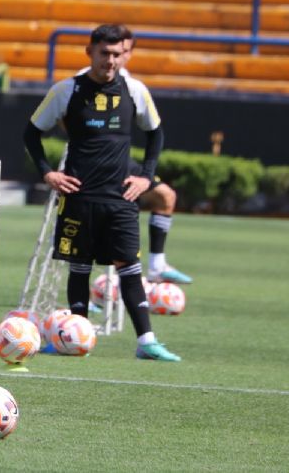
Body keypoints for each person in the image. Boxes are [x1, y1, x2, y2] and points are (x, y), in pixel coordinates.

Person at [24, 24, 181, 362]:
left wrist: (146, 177)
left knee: (129, 266)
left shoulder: (135, 90)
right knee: (79, 266)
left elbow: (156, 134)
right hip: (78, 194)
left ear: (126, 55)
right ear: (90, 53)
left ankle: (146, 341)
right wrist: (48, 173)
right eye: (104, 54)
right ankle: (75, 336)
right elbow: (31, 133)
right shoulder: (66, 90)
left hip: (121, 196)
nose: (110, 61)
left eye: (117, 54)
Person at [118, 32, 192, 284]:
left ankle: (157, 267)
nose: (117, 57)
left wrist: (147, 175)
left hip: (122, 160)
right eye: (109, 52)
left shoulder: (132, 85)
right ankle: (104, 285)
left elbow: (154, 130)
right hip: (93, 162)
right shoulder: (86, 80)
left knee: (165, 196)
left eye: (124, 51)